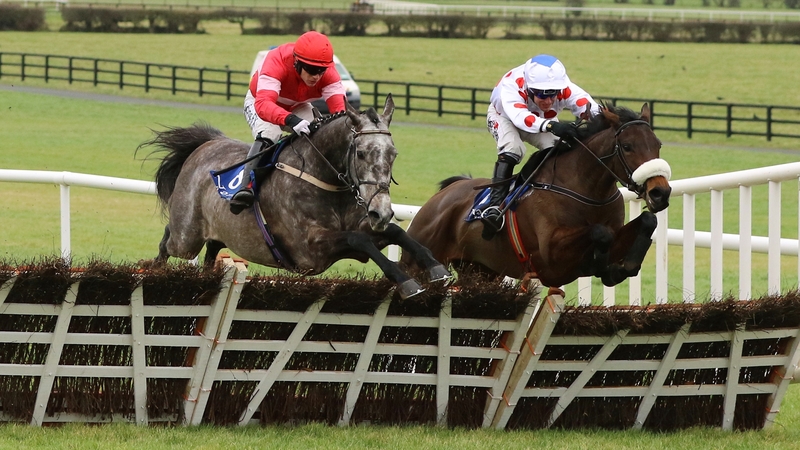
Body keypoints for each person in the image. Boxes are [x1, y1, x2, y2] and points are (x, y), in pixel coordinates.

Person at [481, 54, 601, 239]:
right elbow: (520, 117)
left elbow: (588, 107)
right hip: (505, 117)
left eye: (553, 94)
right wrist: (552, 125)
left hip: (540, 120)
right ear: (529, 88)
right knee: (513, 149)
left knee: (558, 148)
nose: (548, 100)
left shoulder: (564, 87)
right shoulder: (511, 86)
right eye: (541, 94)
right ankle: (494, 206)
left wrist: (607, 121)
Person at [230, 31, 348, 214]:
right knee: (270, 134)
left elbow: (340, 114)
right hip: (260, 102)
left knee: (320, 135)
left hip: (298, 105)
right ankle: (245, 187)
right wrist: (290, 120)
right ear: (297, 63)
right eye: (311, 70)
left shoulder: (329, 73)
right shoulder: (276, 61)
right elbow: (263, 105)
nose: (316, 76)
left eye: (321, 71)